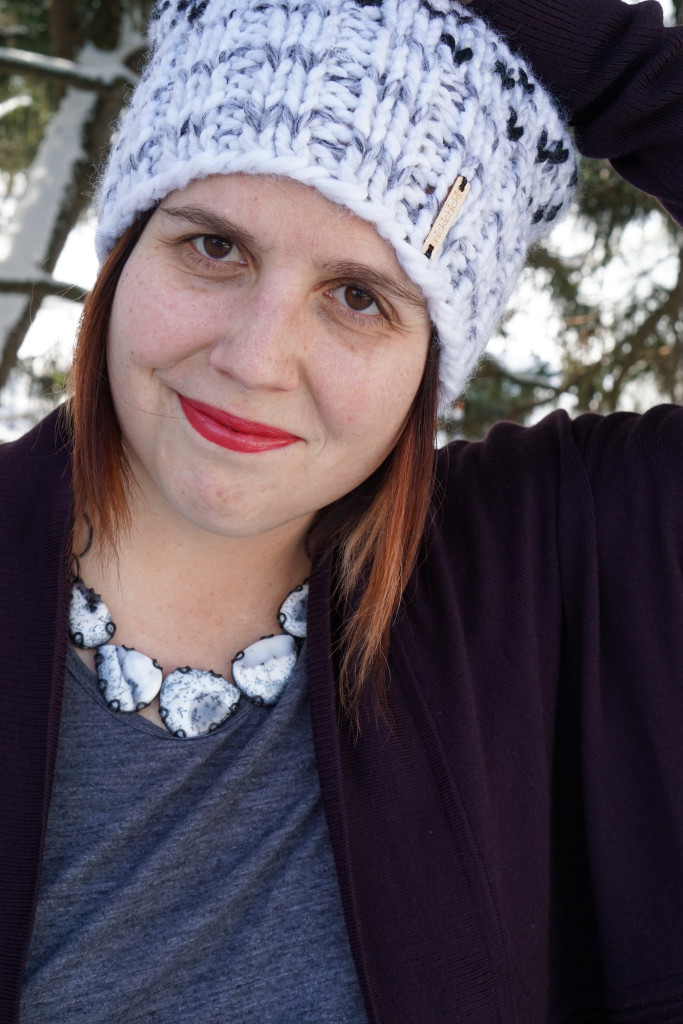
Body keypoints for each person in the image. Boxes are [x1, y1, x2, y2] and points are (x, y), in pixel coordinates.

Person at [1, 0, 682, 1020]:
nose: (254, 359)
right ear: (125, 252)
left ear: (430, 363)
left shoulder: (554, 563)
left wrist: (600, 60)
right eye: (213, 247)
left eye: (358, 296)